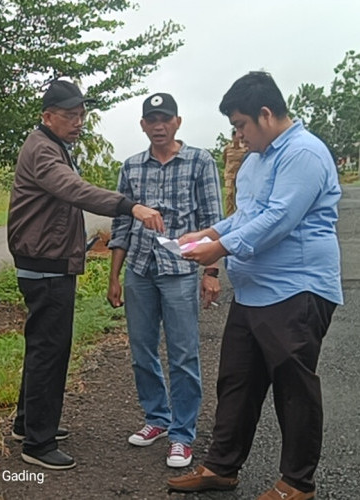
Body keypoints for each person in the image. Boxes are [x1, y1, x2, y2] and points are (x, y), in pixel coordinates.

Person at [168, 71, 343, 499]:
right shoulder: (258, 161)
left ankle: (297, 483)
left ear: (266, 114)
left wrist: (221, 249)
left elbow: (278, 220)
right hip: (254, 292)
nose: (239, 135)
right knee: (237, 381)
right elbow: (245, 215)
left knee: (293, 388)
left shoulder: (303, 154)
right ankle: (222, 468)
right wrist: (208, 233)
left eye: (241, 124)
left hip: (296, 290)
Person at [7, 79, 164, 470]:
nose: (78, 122)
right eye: (70, 115)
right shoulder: (43, 150)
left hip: (47, 260)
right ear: (47, 116)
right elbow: (74, 190)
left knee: (42, 346)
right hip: (45, 265)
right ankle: (38, 445)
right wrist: (130, 207)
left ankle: (28, 424)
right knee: (50, 350)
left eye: (82, 114)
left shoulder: (53, 145)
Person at [107, 92, 223, 468]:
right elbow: (121, 222)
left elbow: (212, 219)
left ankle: (182, 434)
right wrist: (114, 275)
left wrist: (211, 273)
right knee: (142, 349)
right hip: (140, 268)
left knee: (183, 353)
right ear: (142, 125)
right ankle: (157, 418)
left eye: (165, 119)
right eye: (151, 120)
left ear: (177, 122)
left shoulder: (199, 161)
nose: (158, 126)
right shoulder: (132, 166)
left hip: (180, 271)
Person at [222, 130, 248, 216]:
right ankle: (229, 215)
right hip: (229, 175)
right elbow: (224, 160)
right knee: (229, 194)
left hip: (241, 175)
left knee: (240, 195)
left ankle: (239, 213)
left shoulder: (244, 148)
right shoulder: (227, 148)